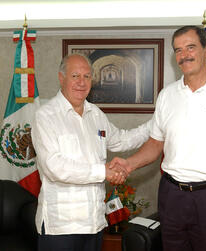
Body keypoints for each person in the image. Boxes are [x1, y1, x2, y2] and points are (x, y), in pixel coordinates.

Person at [110, 25, 206, 251]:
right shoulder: (167, 95)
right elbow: (156, 143)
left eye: (190, 47)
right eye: (178, 50)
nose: (184, 55)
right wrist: (129, 164)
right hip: (172, 196)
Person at [31, 53, 151, 251]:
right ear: (61, 78)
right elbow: (55, 167)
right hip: (61, 228)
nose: (81, 82)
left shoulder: (95, 114)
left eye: (87, 76)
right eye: (75, 76)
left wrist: (156, 125)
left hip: (94, 224)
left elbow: (121, 139)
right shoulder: (46, 116)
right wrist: (104, 172)